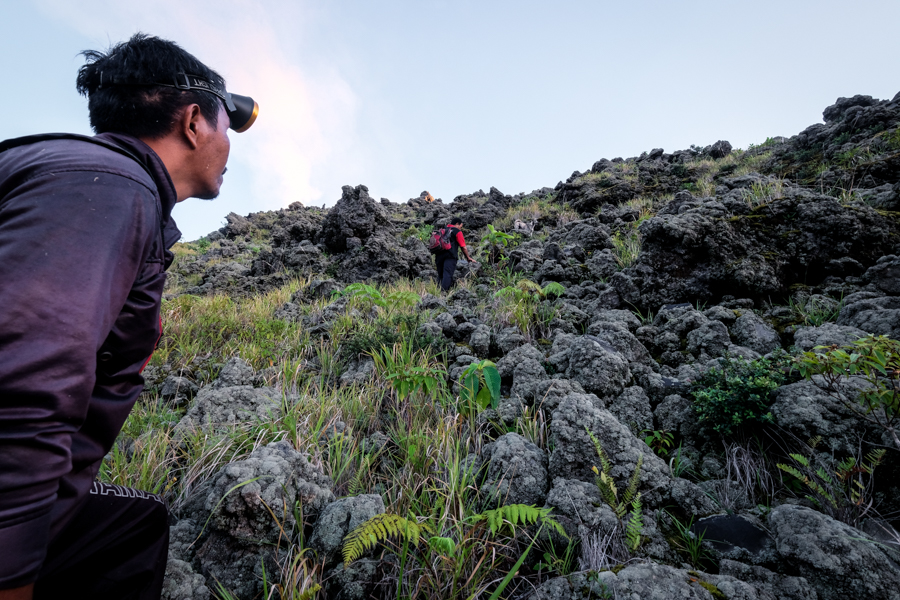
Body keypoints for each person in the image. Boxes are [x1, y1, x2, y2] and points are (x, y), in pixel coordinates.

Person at [0, 34, 257, 600]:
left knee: (134, 525)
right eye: (226, 123)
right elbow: (24, 387)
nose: (231, 146)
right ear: (193, 122)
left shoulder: (84, 175)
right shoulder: (110, 188)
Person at [435, 217, 474, 292]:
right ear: (457, 224)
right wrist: (468, 257)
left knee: (440, 275)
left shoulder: (442, 229)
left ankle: (437, 293)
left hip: (438, 255)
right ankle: (443, 294)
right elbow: (463, 247)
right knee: (447, 274)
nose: (460, 228)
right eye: (460, 226)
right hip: (450, 256)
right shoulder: (457, 231)